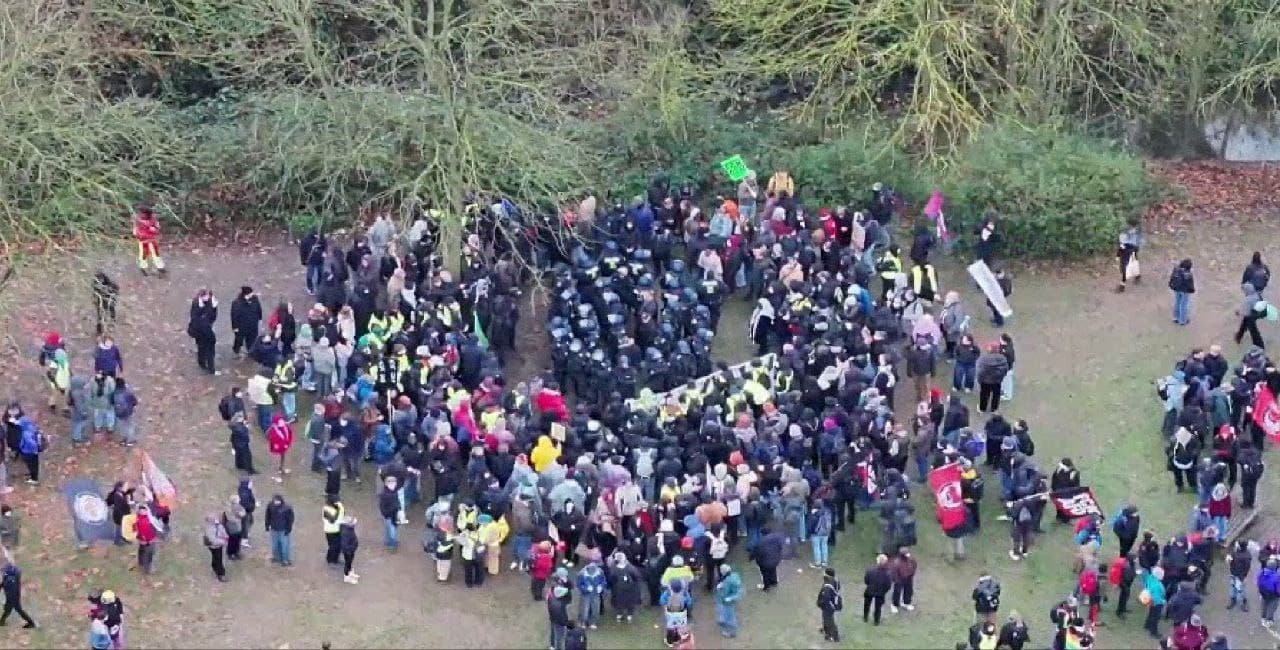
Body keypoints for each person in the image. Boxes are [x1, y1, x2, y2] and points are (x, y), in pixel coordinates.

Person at [187, 289, 219, 374]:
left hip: (207, 328)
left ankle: (207, 365)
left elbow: (213, 316)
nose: (208, 298)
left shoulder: (210, 302)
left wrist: (214, 307)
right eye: (206, 296)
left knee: (206, 348)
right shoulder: (196, 304)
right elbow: (194, 317)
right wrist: (204, 309)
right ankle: (206, 365)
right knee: (203, 348)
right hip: (200, 330)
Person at [132, 203, 165, 275]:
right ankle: (143, 267)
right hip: (143, 239)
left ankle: (160, 267)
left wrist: (154, 229)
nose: (142, 214)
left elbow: (157, 227)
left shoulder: (153, 217)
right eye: (140, 212)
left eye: (143, 213)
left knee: (156, 253)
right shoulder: (137, 218)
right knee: (144, 254)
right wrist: (136, 233)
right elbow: (135, 228)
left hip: (152, 239)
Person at [976, 343, 1009, 414]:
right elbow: (1005, 369)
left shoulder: (984, 358)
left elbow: (980, 371)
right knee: (996, 395)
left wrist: (979, 379)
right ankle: (994, 409)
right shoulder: (1002, 358)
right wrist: (1000, 377)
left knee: (984, 395)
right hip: (997, 381)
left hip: (985, 381)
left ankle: (982, 408)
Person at [0, 561, 35, 628]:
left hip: (13, 596)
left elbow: (10, 587)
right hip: (12, 595)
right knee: (8, 609)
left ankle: (31, 623)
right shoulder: (10, 576)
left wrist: (10, 598)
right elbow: (4, 584)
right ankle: (1, 622)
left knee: (18, 609)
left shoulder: (10, 578)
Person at [230, 286, 263, 356]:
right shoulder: (236, 303)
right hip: (241, 326)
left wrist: (260, 318)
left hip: (253, 325)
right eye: (251, 293)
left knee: (252, 339)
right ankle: (236, 350)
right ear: (246, 294)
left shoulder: (255, 299)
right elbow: (234, 316)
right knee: (239, 340)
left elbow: (259, 309)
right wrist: (235, 327)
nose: (252, 294)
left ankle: (250, 351)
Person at [862, 553, 892, 625]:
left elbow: (866, 580)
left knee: (866, 605)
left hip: (870, 590)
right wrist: (884, 591)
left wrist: (870, 585)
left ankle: (865, 617)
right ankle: (876, 621)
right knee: (878, 607)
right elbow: (888, 585)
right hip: (880, 593)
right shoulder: (887, 573)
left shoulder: (870, 570)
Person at [713, 563, 742, 638]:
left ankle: (731, 632)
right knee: (724, 611)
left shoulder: (728, 581)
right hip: (731, 598)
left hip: (727, 600)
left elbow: (725, 592)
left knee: (729, 616)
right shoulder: (734, 575)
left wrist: (720, 588)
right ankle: (723, 620)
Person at [265, 494, 294, 566]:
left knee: (284, 545)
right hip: (274, 528)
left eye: (277, 501)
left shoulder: (287, 508)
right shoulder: (270, 506)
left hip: (283, 529)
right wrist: (267, 525)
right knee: (275, 545)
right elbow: (267, 516)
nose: (276, 502)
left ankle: (285, 560)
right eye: (275, 501)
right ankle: (276, 558)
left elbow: (290, 519)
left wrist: (288, 529)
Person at [753, 526, 784, 591]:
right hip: (775, 559)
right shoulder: (776, 538)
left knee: (765, 573)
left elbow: (757, 552)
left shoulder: (760, 541)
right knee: (773, 569)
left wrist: (757, 561)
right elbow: (780, 547)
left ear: (762, 533)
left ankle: (767, 587)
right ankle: (774, 582)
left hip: (765, 562)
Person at [816, 567, 843, 642]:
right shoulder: (834, 581)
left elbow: (826, 597)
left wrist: (822, 603)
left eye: (824, 572)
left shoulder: (828, 585)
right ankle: (826, 631)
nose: (823, 573)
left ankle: (835, 637)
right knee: (825, 619)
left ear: (827, 574)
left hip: (828, 606)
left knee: (830, 621)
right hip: (831, 604)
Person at [267, 415, 294, 482]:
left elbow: (289, 433)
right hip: (276, 447)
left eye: (282, 420)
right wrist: (273, 442)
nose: (282, 422)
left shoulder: (284, 426)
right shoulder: (273, 429)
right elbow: (267, 435)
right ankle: (276, 475)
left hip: (283, 446)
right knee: (276, 459)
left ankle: (281, 468)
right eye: (280, 421)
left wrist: (287, 443)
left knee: (282, 457)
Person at [1169, 259, 1195, 326]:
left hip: (1177, 289)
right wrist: (1192, 290)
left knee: (1177, 303)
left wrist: (1171, 285)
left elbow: (1172, 278)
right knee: (1184, 305)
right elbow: (1190, 284)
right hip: (1184, 291)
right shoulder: (1188, 274)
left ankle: (1175, 318)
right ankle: (1183, 321)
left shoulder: (1176, 270)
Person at [1142, 565, 1167, 638]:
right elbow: (1157, 597)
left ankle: (1147, 625)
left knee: (1151, 613)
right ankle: (1153, 632)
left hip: (1149, 598)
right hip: (1156, 603)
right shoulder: (1158, 585)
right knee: (1155, 617)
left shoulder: (1150, 578)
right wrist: (1163, 601)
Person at [203, 513, 229, 582]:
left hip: (218, 545)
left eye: (215, 517)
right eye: (212, 518)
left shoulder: (218, 525)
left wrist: (226, 536)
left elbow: (222, 529)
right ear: (209, 521)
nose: (215, 519)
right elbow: (213, 540)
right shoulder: (209, 529)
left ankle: (214, 566)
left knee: (216, 557)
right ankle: (221, 574)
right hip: (214, 546)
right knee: (219, 559)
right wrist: (223, 542)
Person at [889, 548, 916, 613]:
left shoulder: (911, 560)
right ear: (902, 555)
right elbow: (893, 572)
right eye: (906, 554)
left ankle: (907, 603)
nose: (908, 555)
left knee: (908, 591)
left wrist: (912, 574)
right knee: (897, 592)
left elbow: (914, 566)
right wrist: (896, 580)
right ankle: (894, 605)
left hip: (908, 578)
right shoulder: (897, 562)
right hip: (899, 580)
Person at [339, 516, 360, 584]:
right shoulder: (345, 532)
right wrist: (351, 549)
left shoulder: (349, 529)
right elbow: (344, 545)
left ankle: (350, 573)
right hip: (348, 552)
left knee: (350, 562)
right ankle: (347, 577)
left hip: (351, 550)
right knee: (347, 563)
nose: (354, 524)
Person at [1260, 557, 1280, 627]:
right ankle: (1269, 620)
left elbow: (1258, 582)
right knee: (1271, 608)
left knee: (1264, 606)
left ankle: (1263, 618)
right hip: (1273, 595)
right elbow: (1278, 588)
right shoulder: (1276, 576)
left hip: (1263, 593)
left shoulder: (1262, 572)